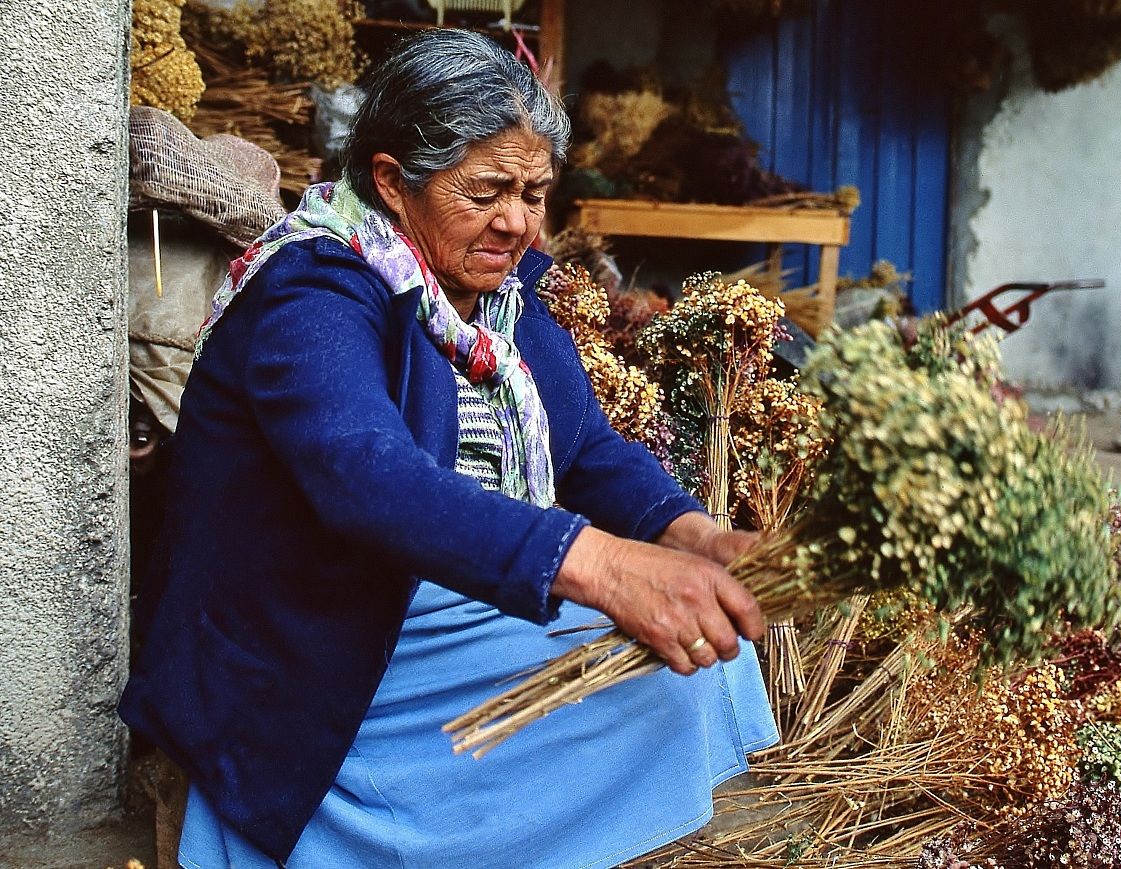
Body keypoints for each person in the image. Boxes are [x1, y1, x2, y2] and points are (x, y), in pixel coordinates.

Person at [120, 28, 777, 869]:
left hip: (415, 596)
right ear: (394, 182)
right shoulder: (313, 291)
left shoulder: (501, 289)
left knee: (702, 639)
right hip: (310, 637)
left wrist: (695, 536)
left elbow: (586, 449)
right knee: (659, 671)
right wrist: (606, 569)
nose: (518, 221)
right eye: (489, 190)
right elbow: (369, 478)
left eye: (535, 192)